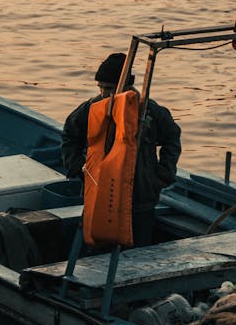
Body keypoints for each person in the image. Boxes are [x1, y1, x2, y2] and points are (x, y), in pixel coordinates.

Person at [61, 52, 181, 247]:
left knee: (139, 248)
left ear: (124, 86)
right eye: (100, 87)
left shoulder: (149, 111)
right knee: (96, 246)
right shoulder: (92, 108)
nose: (103, 93)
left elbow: (172, 138)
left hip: (141, 196)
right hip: (100, 192)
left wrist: (162, 175)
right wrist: (78, 168)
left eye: (108, 88)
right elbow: (69, 135)